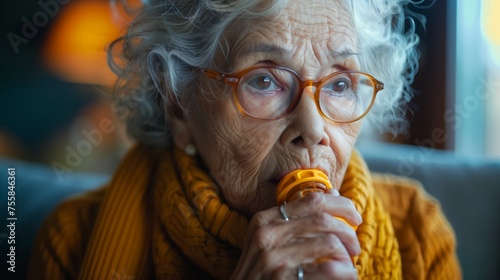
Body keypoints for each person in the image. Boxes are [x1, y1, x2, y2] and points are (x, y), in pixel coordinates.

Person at [28, 0, 462, 279]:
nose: (311, 129)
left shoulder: (418, 236)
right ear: (178, 105)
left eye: (340, 85)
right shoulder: (72, 242)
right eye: (265, 81)